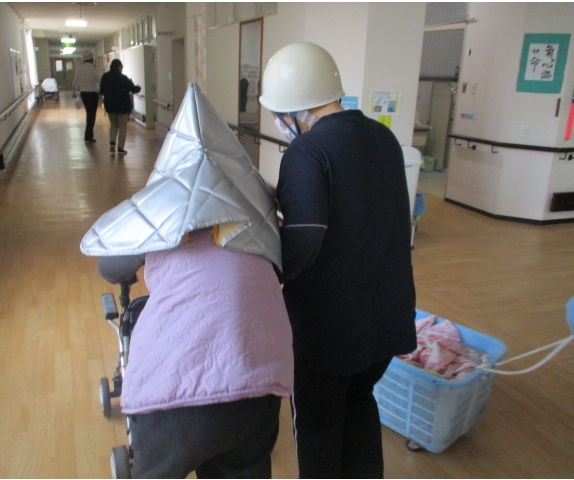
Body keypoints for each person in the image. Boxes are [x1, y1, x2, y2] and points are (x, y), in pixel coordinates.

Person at [81, 82, 293, 479]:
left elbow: (110, 269)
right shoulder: (256, 214)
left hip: (175, 394)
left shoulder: (161, 219)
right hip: (259, 383)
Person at [259, 42, 417, 478]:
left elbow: (305, 236)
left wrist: (264, 277)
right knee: (360, 402)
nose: (279, 123)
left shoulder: (307, 152)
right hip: (388, 320)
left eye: (278, 113)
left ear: (293, 110)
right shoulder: (384, 138)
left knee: (318, 425)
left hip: (331, 332)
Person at [99, 59, 141, 155]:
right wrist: (139, 87)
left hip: (110, 107)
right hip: (123, 107)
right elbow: (133, 89)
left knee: (113, 125)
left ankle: (112, 143)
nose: (122, 69)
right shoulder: (123, 78)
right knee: (122, 127)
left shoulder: (105, 77)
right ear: (119, 67)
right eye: (121, 67)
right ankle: (121, 148)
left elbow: (101, 91)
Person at [72, 49, 101, 143]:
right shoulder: (94, 69)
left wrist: (73, 93)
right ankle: (88, 136)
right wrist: (102, 92)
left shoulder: (80, 69)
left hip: (84, 94)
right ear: (91, 59)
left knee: (89, 113)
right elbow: (100, 81)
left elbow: (74, 82)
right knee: (91, 115)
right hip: (93, 94)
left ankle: (89, 135)